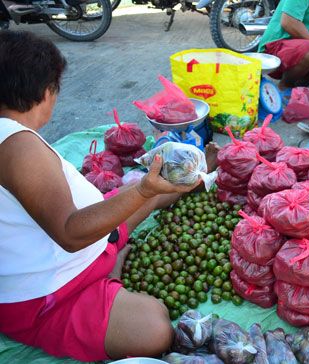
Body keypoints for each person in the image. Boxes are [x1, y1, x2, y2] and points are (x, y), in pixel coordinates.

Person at [0, 30, 216, 361]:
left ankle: (199, 175)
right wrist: (143, 189)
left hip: (88, 240)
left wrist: (145, 191)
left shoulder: (14, 139)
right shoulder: (16, 144)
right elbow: (71, 233)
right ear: (45, 91)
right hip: (52, 290)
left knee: (153, 192)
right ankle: (112, 268)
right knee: (155, 328)